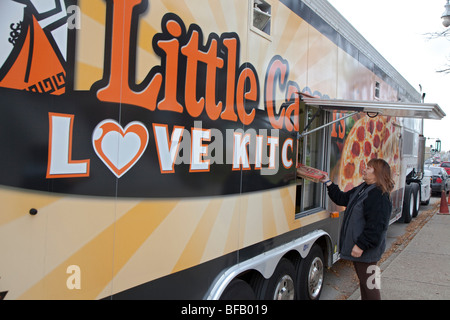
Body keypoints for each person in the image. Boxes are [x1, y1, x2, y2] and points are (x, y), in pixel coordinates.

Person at [321, 158, 394, 300]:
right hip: (362, 249)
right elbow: (342, 199)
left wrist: (361, 245)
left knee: (371, 285)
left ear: (378, 173)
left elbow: (376, 226)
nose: (364, 169)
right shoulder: (363, 188)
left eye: (369, 168)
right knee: (365, 283)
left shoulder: (379, 194)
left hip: (368, 251)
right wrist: (328, 182)